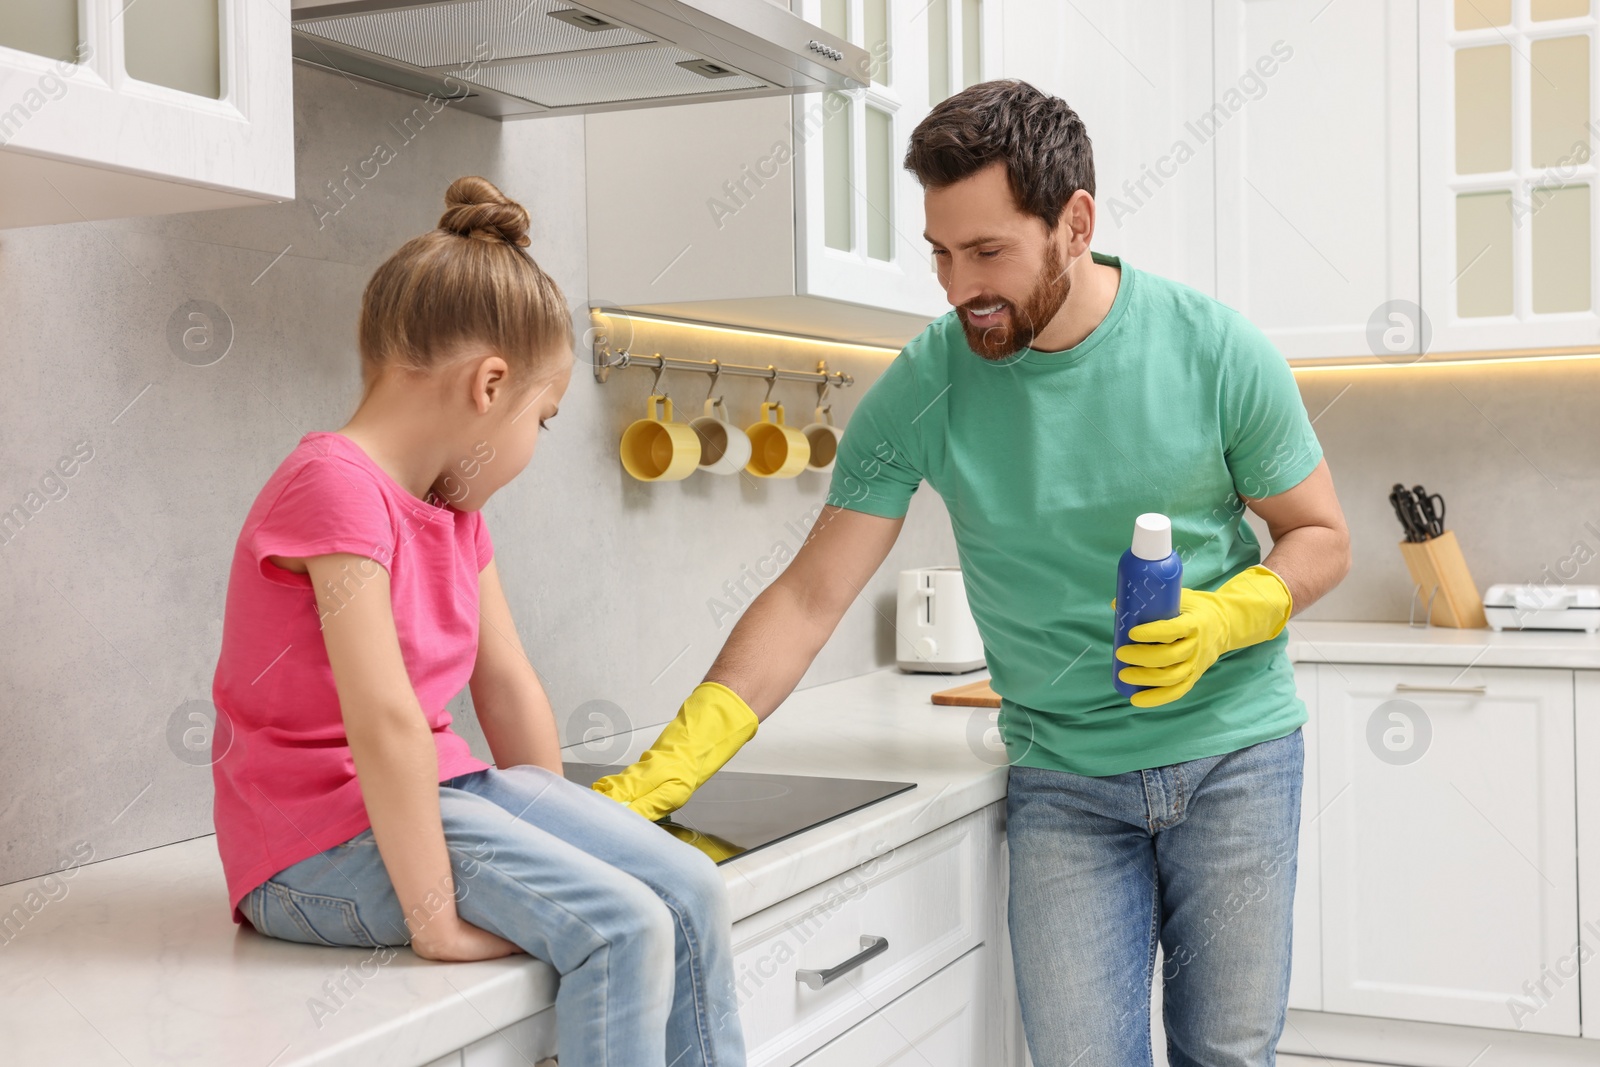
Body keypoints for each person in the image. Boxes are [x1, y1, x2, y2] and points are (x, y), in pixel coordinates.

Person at [593, 81, 1351, 1067]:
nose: (959, 288)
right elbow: (809, 595)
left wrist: (1226, 615)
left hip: (1236, 757)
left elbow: (1320, 535)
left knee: (1228, 1052)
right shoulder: (925, 384)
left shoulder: (1215, 351)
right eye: (941, 254)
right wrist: (676, 759)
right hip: (1067, 781)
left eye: (987, 250)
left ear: (1073, 223)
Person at [210, 176, 746, 1067]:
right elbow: (384, 725)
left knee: (691, 887)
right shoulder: (334, 485)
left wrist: (552, 818)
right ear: (489, 385)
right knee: (622, 928)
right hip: (314, 849)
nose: (535, 442)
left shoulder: (453, 513)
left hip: (437, 799)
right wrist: (434, 921)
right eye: (543, 416)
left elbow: (505, 683)